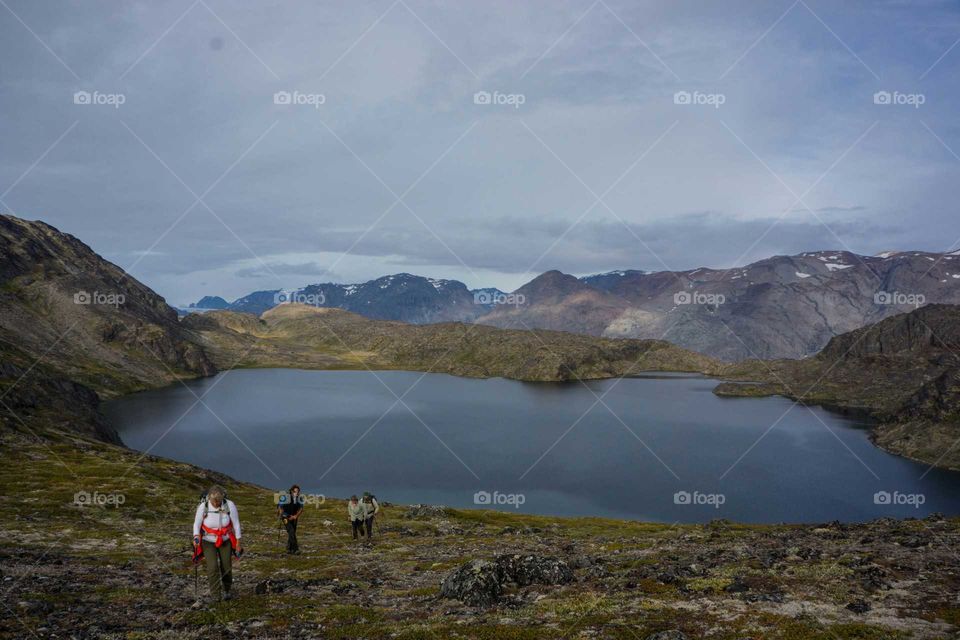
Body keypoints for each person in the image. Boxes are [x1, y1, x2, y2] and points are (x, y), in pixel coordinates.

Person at [192, 485, 242, 604]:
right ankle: (215, 595)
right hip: (208, 540)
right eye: (214, 502)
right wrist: (195, 536)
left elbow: (236, 523)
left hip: (225, 540)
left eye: (218, 502)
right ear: (209, 498)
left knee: (226, 566)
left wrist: (238, 541)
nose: (216, 504)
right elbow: (197, 524)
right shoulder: (203, 506)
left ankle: (227, 589)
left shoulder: (229, 505)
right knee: (212, 567)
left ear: (222, 498)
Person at [278, 484, 304, 554]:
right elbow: (280, 507)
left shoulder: (300, 498)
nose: (297, 493)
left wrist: (295, 516)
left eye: (298, 492)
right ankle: (296, 549)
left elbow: (301, 508)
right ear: (291, 491)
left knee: (292, 532)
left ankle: (289, 548)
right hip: (285, 516)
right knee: (291, 531)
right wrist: (281, 514)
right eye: (295, 491)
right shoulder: (285, 497)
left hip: (294, 517)